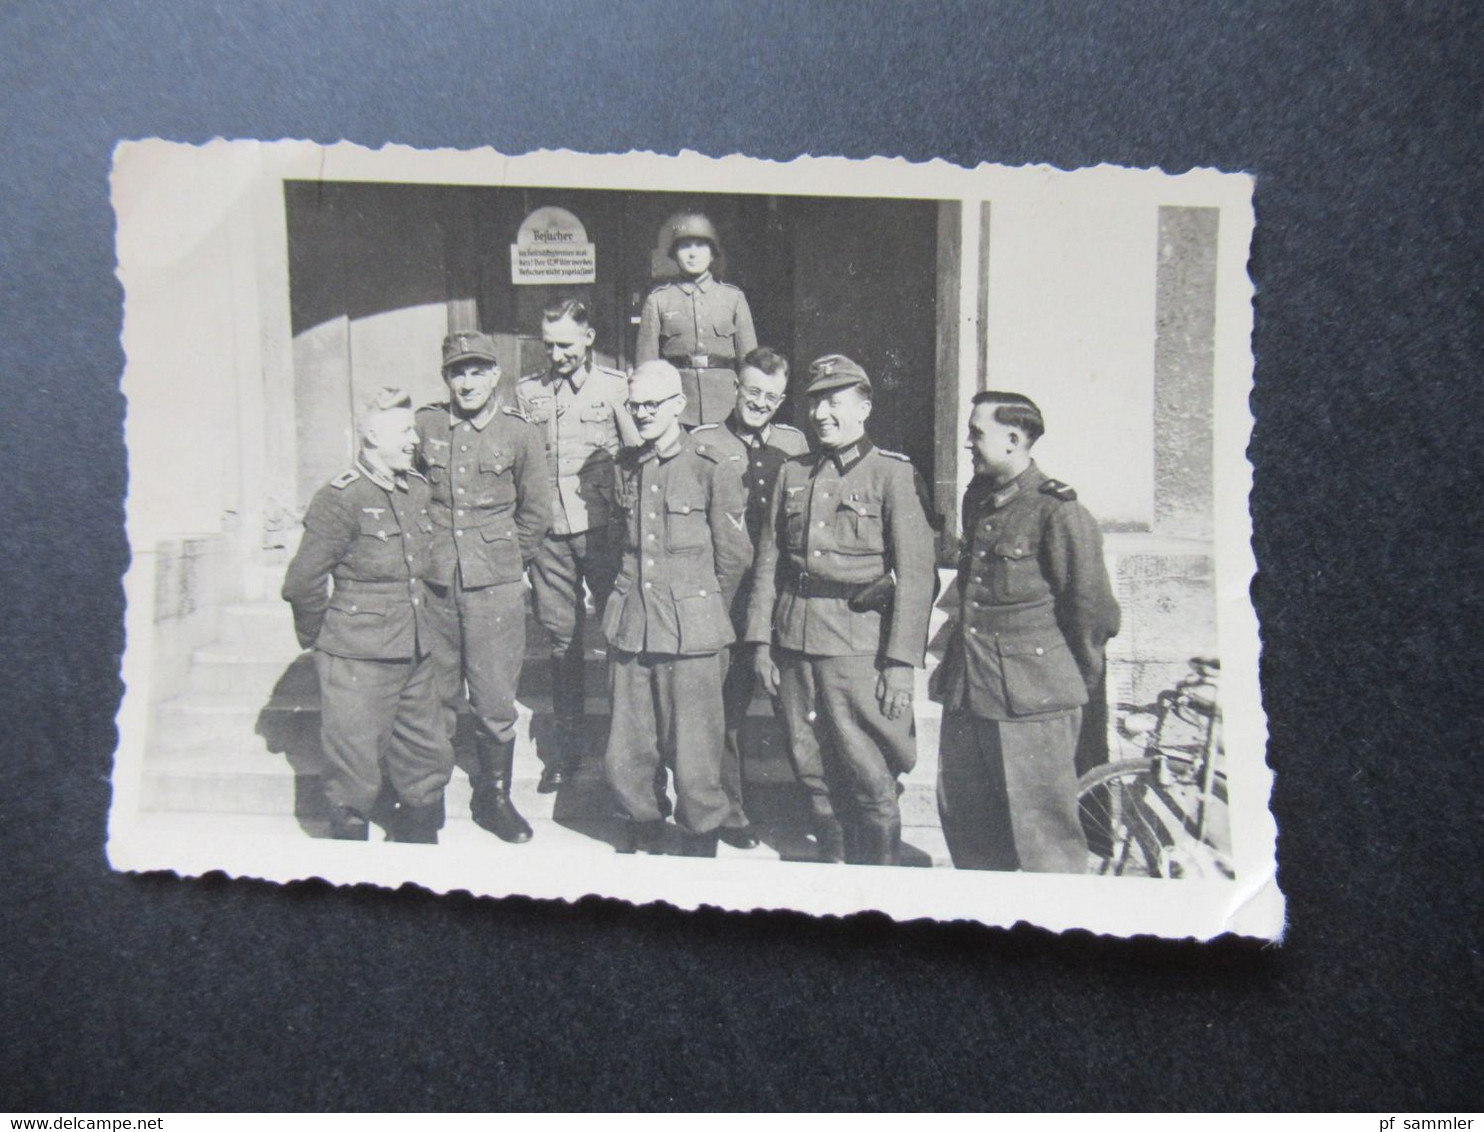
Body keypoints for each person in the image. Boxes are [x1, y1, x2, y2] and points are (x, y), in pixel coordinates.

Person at [745, 355, 936, 865]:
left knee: (868, 769)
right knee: (808, 763)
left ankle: (879, 878)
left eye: (835, 401)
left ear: (865, 406)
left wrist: (900, 664)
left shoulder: (892, 474)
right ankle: (832, 867)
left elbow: (917, 577)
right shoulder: (794, 472)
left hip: (859, 647)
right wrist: (761, 642)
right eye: (815, 402)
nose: (822, 413)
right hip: (794, 639)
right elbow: (769, 563)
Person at [930, 391, 1121, 873]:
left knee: (1044, 844)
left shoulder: (1057, 512)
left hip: (1033, 702)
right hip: (970, 690)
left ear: (1013, 439)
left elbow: (1094, 614)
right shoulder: (980, 500)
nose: (968, 444)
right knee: (969, 831)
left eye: (976, 433)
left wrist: (1059, 686)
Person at [282, 388, 452, 844]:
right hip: (357, 652)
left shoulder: (415, 489)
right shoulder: (341, 497)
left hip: (415, 646)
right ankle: (352, 862)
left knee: (425, 754)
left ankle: (421, 848)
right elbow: (302, 582)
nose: (414, 439)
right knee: (353, 765)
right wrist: (326, 639)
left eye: (413, 429)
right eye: (403, 431)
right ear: (373, 435)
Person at [602, 360, 751, 856]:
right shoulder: (627, 464)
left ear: (679, 405)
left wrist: (705, 613)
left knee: (695, 757)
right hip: (634, 624)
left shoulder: (710, 465)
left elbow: (733, 558)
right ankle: (641, 826)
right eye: (635, 404)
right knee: (629, 749)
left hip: (694, 631)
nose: (642, 413)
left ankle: (699, 839)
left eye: (652, 404)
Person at [416, 331, 551, 843]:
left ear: (497, 375)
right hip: (436, 582)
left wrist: (505, 559)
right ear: (445, 378)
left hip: (494, 587)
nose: (467, 382)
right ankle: (426, 794)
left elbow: (536, 512)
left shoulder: (519, 433)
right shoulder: (425, 425)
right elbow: (410, 494)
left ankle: (493, 797)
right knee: (436, 694)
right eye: (457, 371)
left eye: (477, 371)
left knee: (494, 700)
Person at [515, 299, 640, 792]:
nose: (557, 354)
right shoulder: (529, 391)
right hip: (551, 532)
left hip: (603, 528)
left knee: (615, 636)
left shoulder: (615, 386)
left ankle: (622, 749)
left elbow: (633, 451)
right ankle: (566, 751)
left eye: (565, 344)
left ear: (588, 338)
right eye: (549, 345)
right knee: (562, 638)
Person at [690, 347, 809, 849]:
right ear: (736, 388)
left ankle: (814, 806)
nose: (761, 403)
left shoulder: (795, 441)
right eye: (753, 391)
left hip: (783, 594)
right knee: (726, 708)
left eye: (772, 396)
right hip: (728, 594)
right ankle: (731, 810)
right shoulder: (703, 442)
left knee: (797, 707)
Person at [636, 211, 758, 428]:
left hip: (725, 405)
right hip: (677, 407)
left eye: (701, 246)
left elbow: (750, 364)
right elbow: (647, 368)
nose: (693, 254)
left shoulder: (733, 298)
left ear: (713, 254)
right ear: (674, 254)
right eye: (685, 246)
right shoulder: (658, 300)